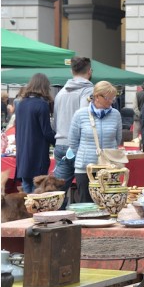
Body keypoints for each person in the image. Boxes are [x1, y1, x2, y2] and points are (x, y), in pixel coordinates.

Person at [68, 81, 122, 203]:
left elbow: (117, 139)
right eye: (109, 98)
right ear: (97, 96)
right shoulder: (80, 114)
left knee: (109, 202)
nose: (111, 101)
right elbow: (73, 142)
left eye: (113, 98)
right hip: (85, 169)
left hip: (109, 168)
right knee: (87, 204)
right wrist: (86, 155)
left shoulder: (116, 115)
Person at [52, 56, 94, 201]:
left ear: (72, 71)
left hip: (61, 143)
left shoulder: (61, 93)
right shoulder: (89, 91)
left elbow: (55, 121)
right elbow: (85, 120)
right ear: (90, 71)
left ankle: (55, 221)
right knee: (87, 193)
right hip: (80, 146)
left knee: (57, 194)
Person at [14, 73, 56, 194]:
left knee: (26, 196)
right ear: (44, 87)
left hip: (22, 155)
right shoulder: (42, 105)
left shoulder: (20, 104)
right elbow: (47, 132)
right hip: (37, 156)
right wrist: (58, 142)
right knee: (37, 196)